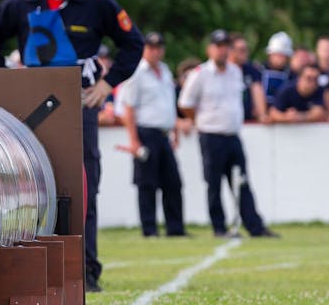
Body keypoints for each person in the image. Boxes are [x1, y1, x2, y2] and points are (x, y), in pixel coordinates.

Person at [0, 0, 143, 292]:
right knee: (28, 189)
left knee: (83, 189)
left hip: (80, 109)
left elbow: (134, 43)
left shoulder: (97, 2)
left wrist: (107, 85)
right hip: (30, 112)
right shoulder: (19, 2)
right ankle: (30, 270)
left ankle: (86, 271)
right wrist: (6, 84)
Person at [177, 29, 276, 238]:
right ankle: (219, 227)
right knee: (214, 183)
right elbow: (185, 103)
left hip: (232, 134)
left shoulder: (235, 71)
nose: (222, 51)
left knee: (241, 182)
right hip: (211, 134)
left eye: (225, 47)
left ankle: (254, 226)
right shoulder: (200, 74)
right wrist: (200, 120)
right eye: (218, 46)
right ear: (210, 49)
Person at [117, 31, 184, 237]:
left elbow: (169, 105)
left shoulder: (164, 70)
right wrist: (134, 140)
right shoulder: (136, 72)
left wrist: (174, 131)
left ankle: (175, 228)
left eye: (159, 47)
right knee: (147, 183)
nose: (156, 52)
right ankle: (150, 228)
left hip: (163, 133)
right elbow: (128, 108)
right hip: (145, 132)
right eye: (151, 47)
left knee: (172, 182)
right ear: (145, 49)